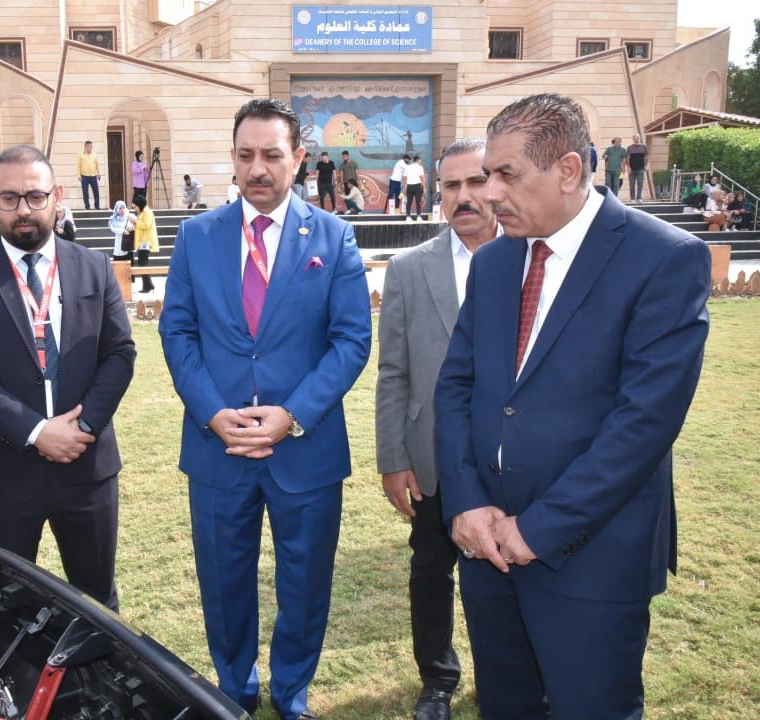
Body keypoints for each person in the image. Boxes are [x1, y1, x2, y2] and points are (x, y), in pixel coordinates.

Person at [435, 93, 710, 720]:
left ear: (567, 169)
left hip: (593, 559)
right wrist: (466, 502)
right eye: (486, 175)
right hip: (487, 550)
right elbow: (455, 388)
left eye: (506, 175)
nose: (489, 194)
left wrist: (537, 530)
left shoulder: (664, 259)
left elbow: (643, 426)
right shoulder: (495, 261)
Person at [159, 98, 371, 720]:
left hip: (304, 449)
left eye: (272, 155)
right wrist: (211, 412)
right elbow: (177, 332)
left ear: (298, 158)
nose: (258, 168)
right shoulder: (197, 237)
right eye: (246, 154)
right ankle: (235, 690)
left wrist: (293, 414)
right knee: (223, 582)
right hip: (218, 447)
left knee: (305, 582)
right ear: (232, 157)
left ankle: (291, 692)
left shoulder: (333, 236)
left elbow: (352, 340)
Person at [0, 145, 136, 610]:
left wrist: (82, 427)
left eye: (35, 196)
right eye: (9, 198)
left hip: (87, 467)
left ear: (57, 196)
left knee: (97, 604)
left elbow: (119, 353)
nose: (23, 210)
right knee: (2, 606)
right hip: (2, 471)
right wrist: (36, 432)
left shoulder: (94, 267)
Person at [376, 137, 500, 720]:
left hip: (512, 457)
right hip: (430, 456)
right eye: (451, 185)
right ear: (436, 192)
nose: (464, 196)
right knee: (431, 571)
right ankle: (437, 681)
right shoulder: (408, 269)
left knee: (509, 570)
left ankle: (507, 677)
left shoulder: (532, 259)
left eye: (476, 181)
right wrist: (392, 458)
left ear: (496, 184)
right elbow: (393, 372)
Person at [132, 194, 159, 293]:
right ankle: (148, 285)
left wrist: (135, 221)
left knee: (142, 264)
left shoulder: (147, 212)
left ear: (139, 205)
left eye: (135, 207)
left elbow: (146, 225)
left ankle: (148, 286)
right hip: (142, 242)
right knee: (142, 263)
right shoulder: (143, 212)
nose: (135, 209)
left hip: (145, 242)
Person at [77, 139, 101, 210]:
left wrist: (99, 173)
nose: (91, 148)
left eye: (91, 146)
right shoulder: (80, 155)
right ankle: (87, 207)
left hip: (93, 176)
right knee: (85, 192)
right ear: (86, 147)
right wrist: (78, 175)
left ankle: (97, 206)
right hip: (84, 176)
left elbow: (97, 165)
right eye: (89, 146)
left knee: (96, 191)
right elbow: (78, 166)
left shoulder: (94, 155)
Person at [626, 133, 648, 202]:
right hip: (632, 169)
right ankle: (632, 198)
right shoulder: (629, 147)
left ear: (640, 139)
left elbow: (646, 157)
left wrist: (646, 165)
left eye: (637, 138)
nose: (636, 140)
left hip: (641, 168)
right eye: (635, 139)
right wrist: (628, 167)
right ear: (633, 139)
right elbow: (627, 158)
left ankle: (639, 198)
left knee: (640, 183)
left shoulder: (644, 146)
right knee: (632, 184)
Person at [405, 154, 426, 220]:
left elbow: (404, 177)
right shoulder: (420, 167)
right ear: (418, 160)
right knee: (418, 202)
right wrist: (424, 188)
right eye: (420, 160)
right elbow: (422, 178)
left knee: (409, 202)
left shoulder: (408, 167)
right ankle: (418, 216)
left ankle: (408, 216)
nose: (420, 161)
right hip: (417, 186)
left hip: (409, 186)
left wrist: (404, 187)